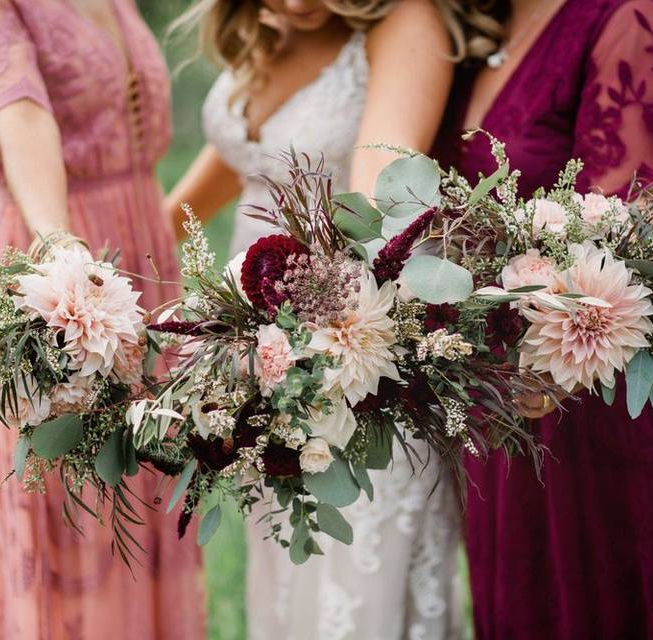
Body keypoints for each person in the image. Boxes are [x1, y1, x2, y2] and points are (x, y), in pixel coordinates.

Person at [431, 0, 653, 638]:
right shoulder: (478, 36)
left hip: (607, 390)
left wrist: (546, 348)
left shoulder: (630, 25)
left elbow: (643, 226)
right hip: (505, 396)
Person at [168, 1, 463, 638]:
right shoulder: (266, 27)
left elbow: (378, 194)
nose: (297, 4)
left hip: (353, 353)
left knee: (356, 587)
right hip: (265, 359)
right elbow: (248, 156)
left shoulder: (404, 23)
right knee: (289, 579)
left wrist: (305, 333)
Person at [0, 1, 205, 638]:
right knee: (75, 513)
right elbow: (18, 110)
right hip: (57, 274)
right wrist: (60, 249)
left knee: (154, 492)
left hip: (140, 262)